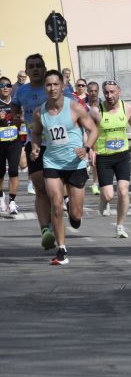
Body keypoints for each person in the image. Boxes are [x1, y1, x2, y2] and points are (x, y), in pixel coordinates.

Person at [29, 70, 98, 265]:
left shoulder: (75, 107)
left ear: (62, 86)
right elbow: (36, 134)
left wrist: (86, 148)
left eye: (55, 84)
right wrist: (35, 147)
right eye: (48, 85)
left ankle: (74, 216)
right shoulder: (39, 112)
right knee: (56, 205)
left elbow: (93, 130)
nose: (52, 88)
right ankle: (61, 249)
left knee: (75, 214)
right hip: (52, 163)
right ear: (44, 88)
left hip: (75, 164)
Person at [11, 53, 73, 250]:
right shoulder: (22, 91)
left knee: (55, 189)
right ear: (27, 71)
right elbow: (15, 104)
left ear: (44, 69)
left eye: (38, 65)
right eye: (31, 66)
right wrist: (16, 116)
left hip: (58, 144)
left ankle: (63, 209)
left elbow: (71, 106)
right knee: (39, 186)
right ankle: (45, 230)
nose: (35, 69)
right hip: (35, 143)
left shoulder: (53, 88)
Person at [90, 80, 131, 238]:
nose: (109, 95)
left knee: (123, 190)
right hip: (104, 157)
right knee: (108, 195)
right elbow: (89, 131)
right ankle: (103, 200)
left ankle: (120, 226)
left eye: (112, 92)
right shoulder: (96, 111)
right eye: (106, 92)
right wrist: (91, 150)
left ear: (119, 91)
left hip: (122, 155)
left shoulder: (127, 108)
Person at [0, 76, 22, 214]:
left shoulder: (16, 103)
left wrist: (20, 118)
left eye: (8, 85)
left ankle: (12, 201)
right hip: (0, 143)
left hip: (14, 141)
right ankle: (0, 197)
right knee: (0, 172)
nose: (5, 88)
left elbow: (23, 118)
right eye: (2, 85)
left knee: (13, 170)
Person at [83, 81, 101, 195]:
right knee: (87, 161)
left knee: (96, 162)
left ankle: (95, 184)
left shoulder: (103, 105)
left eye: (95, 91)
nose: (93, 93)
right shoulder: (82, 106)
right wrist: (88, 147)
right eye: (91, 91)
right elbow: (83, 129)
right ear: (87, 91)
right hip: (85, 136)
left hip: (99, 137)